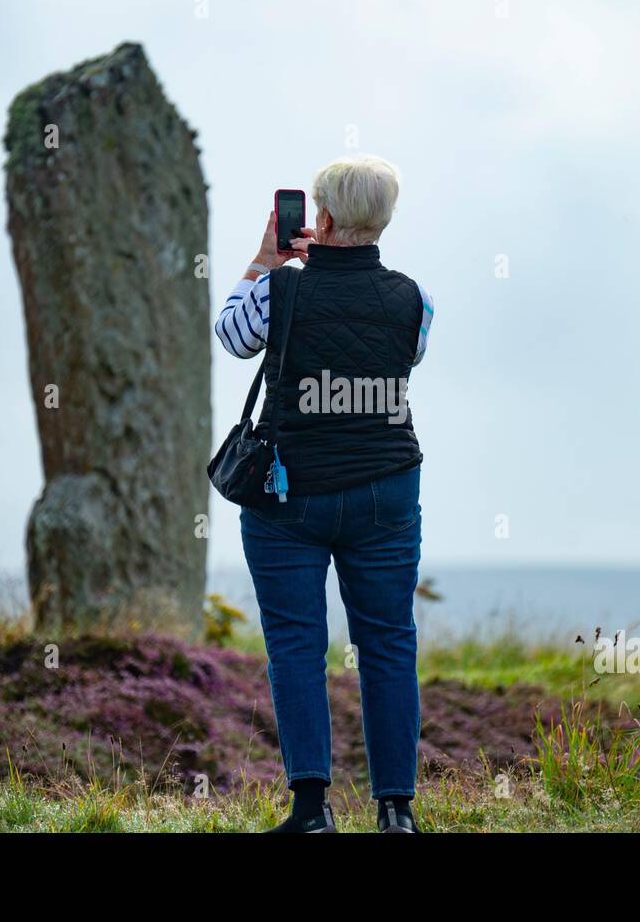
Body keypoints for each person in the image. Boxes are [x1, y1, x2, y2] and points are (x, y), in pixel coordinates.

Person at [214, 154, 435, 833]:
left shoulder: (278, 290)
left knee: (296, 645)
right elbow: (411, 354)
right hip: (387, 492)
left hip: (290, 495)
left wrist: (263, 259)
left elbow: (230, 334)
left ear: (324, 217)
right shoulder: (415, 299)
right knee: (390, 642)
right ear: (384, 219)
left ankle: (312, 811)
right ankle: (395, 813)